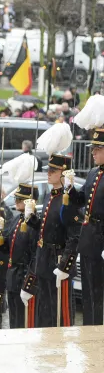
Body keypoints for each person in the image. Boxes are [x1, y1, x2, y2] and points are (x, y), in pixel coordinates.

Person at [23, 154, 80, 327]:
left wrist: (65, 266)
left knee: (60, 314)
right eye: (48, 170)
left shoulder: (68, 199)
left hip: (58, 261)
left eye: (53, 171)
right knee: (45, 312)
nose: (48, 173)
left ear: (63, 174)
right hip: (45, 260)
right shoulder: (50, 196)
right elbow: (47, 229)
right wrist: (32, 219)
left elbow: (74, 236)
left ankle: (60, 351)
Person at [0, 183, 39, 329]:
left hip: (24, 277)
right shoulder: (17, 220)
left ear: (31, 202)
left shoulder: (35, 224)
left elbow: (36, 255)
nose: (16, 201)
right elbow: (7, 248)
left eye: (20, 199)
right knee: (14, 323)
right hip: (13, 277)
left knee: (26, 323)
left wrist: (29, 283)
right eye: (16, 198)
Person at [68, 132, 104, 326]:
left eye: (97, 150)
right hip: (89, 236)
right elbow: (81, 200)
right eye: (93, 150)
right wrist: (70, 189)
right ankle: (89, 328)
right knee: (89, 290)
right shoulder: (93, 172)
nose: (93, 153)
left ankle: (97, 330)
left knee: (98, 290)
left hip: (101, 236)